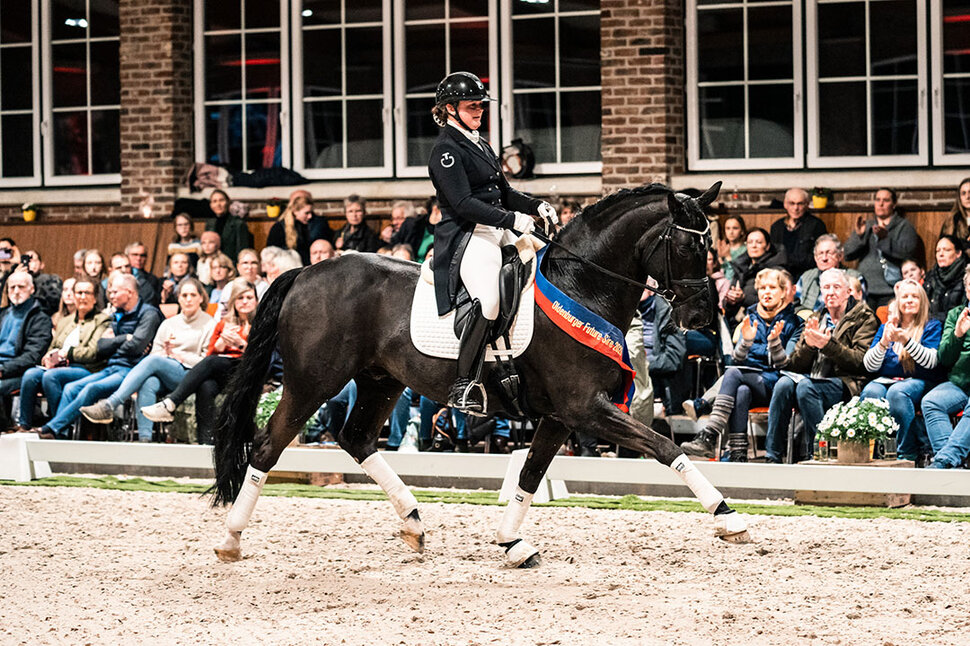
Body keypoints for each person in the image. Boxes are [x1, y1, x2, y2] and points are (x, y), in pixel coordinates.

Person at [427, 71, 556, 414]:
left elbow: (504, 193)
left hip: (498, 227)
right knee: (488, 300)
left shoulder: (480, 143)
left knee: (551, 262)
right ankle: (464, 383)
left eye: (481, 105)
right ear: (450, 109)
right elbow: (463, 203)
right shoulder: (446, 150)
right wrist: (512, 220)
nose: (479, 111)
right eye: (472, 106)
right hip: (468, 234)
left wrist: (535, 206)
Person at [681, 268, 802, 461]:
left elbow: (785, 364)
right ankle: (738, 452)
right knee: (741, 390)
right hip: (751, 382)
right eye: (762, 288)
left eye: (772, 288)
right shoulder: (751, 318)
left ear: (783, 292)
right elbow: (737, 358)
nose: (766, 292)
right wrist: (746, 342)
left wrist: (774, 343)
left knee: (733, 373)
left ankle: (709, 434)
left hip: (777, 385)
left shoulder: (795, 323)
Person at [764, 269, 879, 463]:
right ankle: (772, 457)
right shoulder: (816, 317)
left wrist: (828, 345)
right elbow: (795, 365)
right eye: (826, 287)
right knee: (783, 384)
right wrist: (809, 347)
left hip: (848, 383)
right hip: (814, 379)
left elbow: (860, 362)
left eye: (836, 287)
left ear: (848, 292)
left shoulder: (864, 317)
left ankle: (819, 454)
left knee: (805, 387)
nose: (831, 292)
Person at [29, 273, 162, 439]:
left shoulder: (149, 314)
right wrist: (123, 339)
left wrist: (113, 344)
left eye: (115, 292)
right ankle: (61, 435)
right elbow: (101, 346)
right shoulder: (117, 314)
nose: (110, 296)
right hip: (111, 366)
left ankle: (52, 428)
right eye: (110, 292)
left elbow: (136, 347)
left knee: (91, 388)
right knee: (71, 389)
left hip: (132, 370)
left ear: (129, 292)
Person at [80, 278, 213, 442]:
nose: (188, 299)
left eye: (193, 295)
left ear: (201, 298)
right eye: (184, 295)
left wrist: (180, 357)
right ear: (178, 298)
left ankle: (110, 404)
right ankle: (145, 439)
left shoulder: (209, 323)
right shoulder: (169, 323)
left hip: (192, 375)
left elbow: (207, 362)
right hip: (168, 370)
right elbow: (155, 352)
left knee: (154, 362)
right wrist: (166, 354)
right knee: (148, 382)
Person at [141, 278, 257, 444]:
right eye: (240, 298)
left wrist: (241, 345)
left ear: (256, 300)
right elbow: (210, 354)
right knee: (206, 385)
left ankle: (171, 403)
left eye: (249, 297)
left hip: (250, 370)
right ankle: (206, 441)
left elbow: (265, 357)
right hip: (225, 372)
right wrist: (221, 344)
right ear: (233, 301)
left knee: (213, 362)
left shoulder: (261, 323)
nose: (244, 302)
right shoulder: (224, 324)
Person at [860, 279, 943, 462]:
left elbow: (931, 362)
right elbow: (869, 366)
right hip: (887, 380)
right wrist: (884, 342)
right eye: (905, 296)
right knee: (871, 391)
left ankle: (905, 453)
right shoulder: (886, 327)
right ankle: (874, 452)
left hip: (919, 381)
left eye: (915, 296)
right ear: (898, 302)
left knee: (897, 393)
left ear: (922, 301)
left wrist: (906, 341)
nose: (909, 300)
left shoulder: (931, 326)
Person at [15, 278, 110, 431]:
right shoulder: (65, 321)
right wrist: (48, 357)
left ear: (95, 297)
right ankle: (24, 425)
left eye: (87, 293)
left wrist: (67, 354)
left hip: (87, 369)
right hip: (58, 366)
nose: (82, 297)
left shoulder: (102, 320)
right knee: (30, 375)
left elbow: (93, 352)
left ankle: (58, 426)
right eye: (79, 292)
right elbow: (53, 347)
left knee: (51, 377)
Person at [923, 266, 970, 469]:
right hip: (959, 382)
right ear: (966, 289)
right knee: (931, 402)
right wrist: (957, 334)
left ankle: (944, 462)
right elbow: (944, 357)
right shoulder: (956, 314)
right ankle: (950, 463)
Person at [844, 188, 919, 307]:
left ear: (894, 204)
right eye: (878, 200)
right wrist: (859, 236)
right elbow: (847, 254)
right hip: (865, 288)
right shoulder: (866, 225)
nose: (881, 204)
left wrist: (885, 239)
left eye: (886, 200)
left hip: (890, 289)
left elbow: (907, 253)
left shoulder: (904, 226)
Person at [0, 271, 53, 430]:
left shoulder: (40, 318)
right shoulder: (3, 314)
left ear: (32, 289)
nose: (16, 291)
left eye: (21, 287)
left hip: (20, 372)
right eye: (12, 287)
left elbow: (32, 356)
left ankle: (5, 429)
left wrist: (3, 370)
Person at [723, 227, 787, 321]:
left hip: (764, 322)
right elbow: (727, 308)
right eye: (750, 242)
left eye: (759, 242)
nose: (753, 246)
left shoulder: (775, 271)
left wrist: (744, 298)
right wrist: (731, 300)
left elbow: (775, 302)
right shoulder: (740, 267)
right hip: (736, 322)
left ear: (767, 246)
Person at [794, 234, 865, 312]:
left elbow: (860, 311)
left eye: (829, 253)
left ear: (840, 256)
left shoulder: (855, 278)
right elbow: (793, 304)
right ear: (815, 258)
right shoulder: (806, 277)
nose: (824, 258)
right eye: (820, 253)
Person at [770, 188, 827, 279]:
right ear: (785, 204)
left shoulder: (816, 225)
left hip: (807, 275)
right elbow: (772, 254)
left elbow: (819, 256)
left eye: (800, 204)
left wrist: (788, 259)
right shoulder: (777, 227)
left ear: (807, 205)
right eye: (792, 203)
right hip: (780, 275)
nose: (796, 208)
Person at [923, 235, 968, 321]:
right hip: (930, 325)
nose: (941, 254)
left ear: (958, 253)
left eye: (947, 250)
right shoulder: (930, 277)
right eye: (937, 251)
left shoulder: (966, 278)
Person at [205, 191, 253, 262]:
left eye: (221, 200)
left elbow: (242, 252)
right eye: (214, 201)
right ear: (211, 205)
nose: (218, 204)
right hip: (213, 264)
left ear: (228, 202)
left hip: (232, 264)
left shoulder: (239, 224)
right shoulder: (209, 224)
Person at [266, 193, 314, 265]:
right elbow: (271, 253)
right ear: (295, 211)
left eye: (311, 213)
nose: (310, 216)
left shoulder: (304, 226)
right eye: (307, 213)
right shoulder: (278, 228)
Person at [938, 177, 970, 254]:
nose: (967, 197)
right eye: (963, 193)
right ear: (959, 198)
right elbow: (945, 246)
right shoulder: (952, 220)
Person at [125, 241, 161, 307]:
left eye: (142, 255)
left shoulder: (153, 279)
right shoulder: (120, 277)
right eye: (135, 255)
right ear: (127, 257)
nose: (138, 258)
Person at [717, 215, 747, 282]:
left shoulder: (746, 250)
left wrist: (728, 257)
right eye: (728, 228)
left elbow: (741, 273)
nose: (731, 232)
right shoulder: (723, 248)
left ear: (742, 231)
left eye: (735, 228)